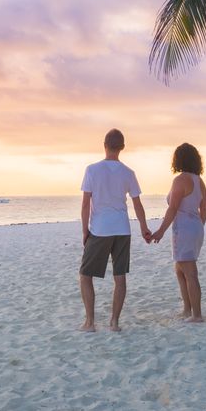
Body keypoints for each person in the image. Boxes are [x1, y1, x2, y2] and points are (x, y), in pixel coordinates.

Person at [78, 128, 149, 332]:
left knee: (85, 275)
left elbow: (85, 205)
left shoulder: (92, 170)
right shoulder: (128, 173)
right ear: (122, 148)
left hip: (100, 229)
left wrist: (85, 230)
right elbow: (137, 204)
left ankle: (90, 322)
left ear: (104, 145)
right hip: (122, 229)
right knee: (120, 277)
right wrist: (144, 228)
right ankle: (114, 322)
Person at [151, 143, 206, 323]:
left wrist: (160, 231)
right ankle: (187, 309)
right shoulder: (199, 181)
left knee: (190, 272)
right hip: (195, 226)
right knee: (180, 269)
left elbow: (173, 208)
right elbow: (204, 208)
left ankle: (196, 314)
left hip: (184, 228)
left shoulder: (180, 180)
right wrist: (199, 226)